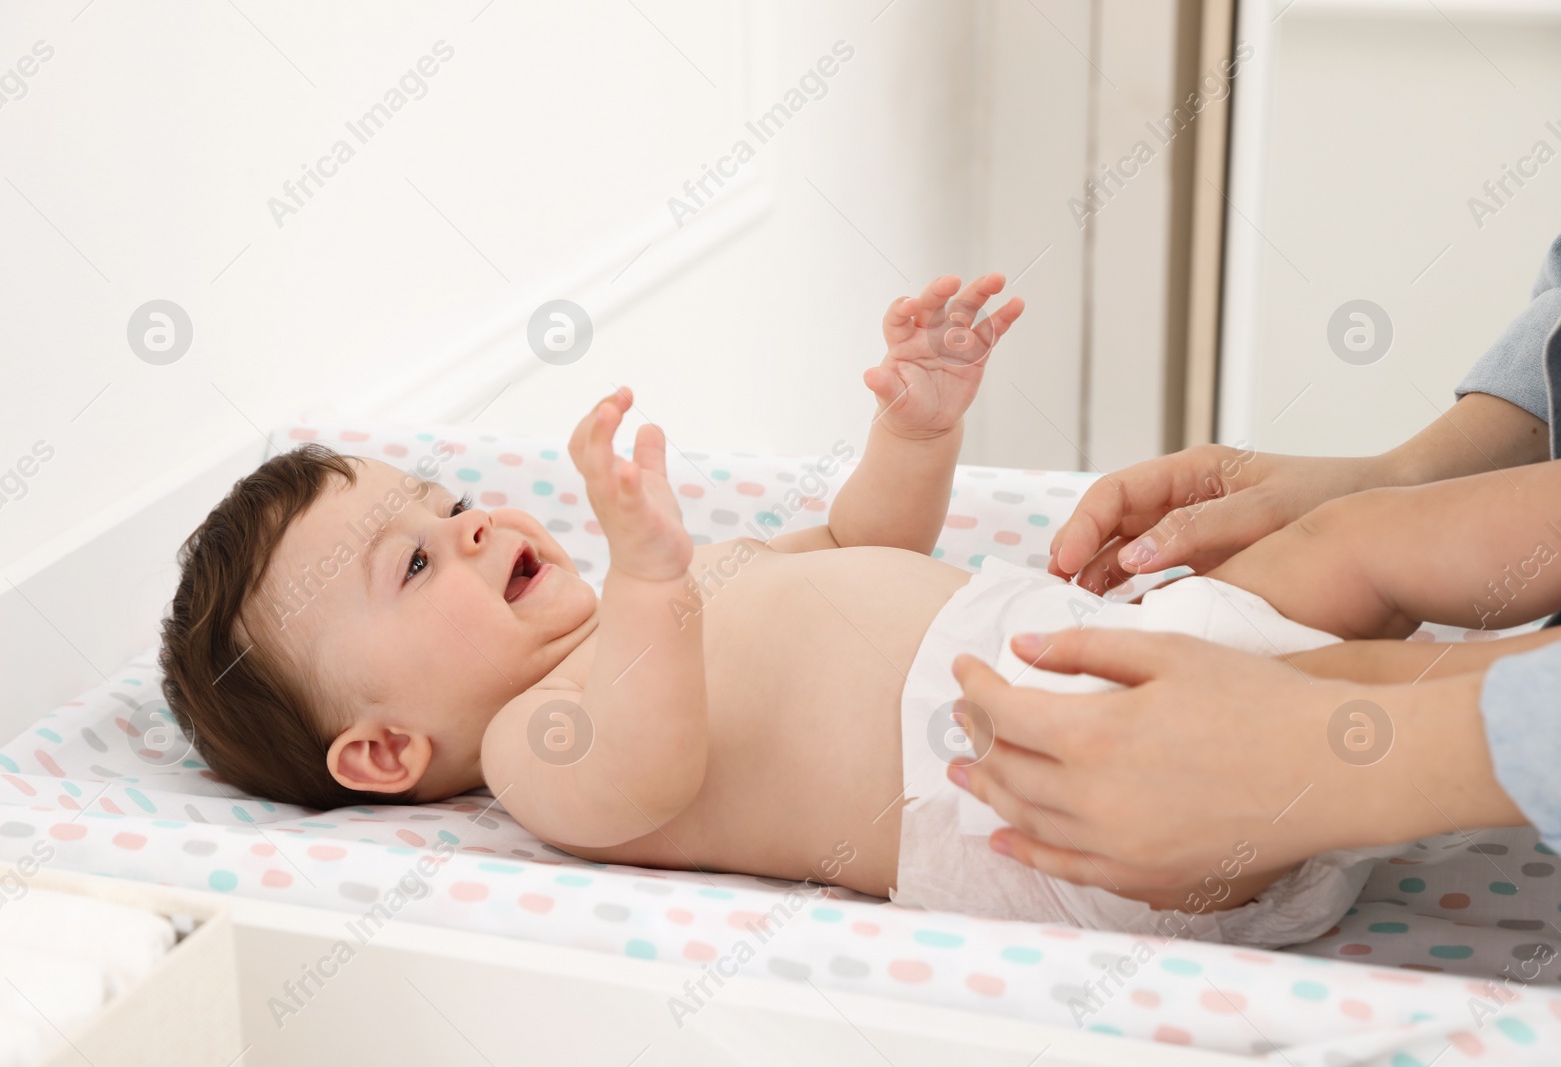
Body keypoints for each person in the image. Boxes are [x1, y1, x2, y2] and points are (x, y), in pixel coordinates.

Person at [160, 274, 1409, 948]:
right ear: (384, 749)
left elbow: (869, 540)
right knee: (1365, 689)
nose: (471, 527)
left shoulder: (680, 591)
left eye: (446, 506)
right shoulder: (540, 749)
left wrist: (912, 428)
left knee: (1351, 554)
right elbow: (649, 767)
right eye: (416, 567)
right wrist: (651, 582)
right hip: (1072, 785)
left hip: (1096, 660)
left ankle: (1498, 638)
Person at [950, 232, 1561, 897]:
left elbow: (852, 533)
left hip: (1144, 755)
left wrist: (910, 432)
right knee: (1359, 574)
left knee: (1353, 545)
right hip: (1080, 827)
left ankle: (1369, 741)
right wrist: (1408, 474)